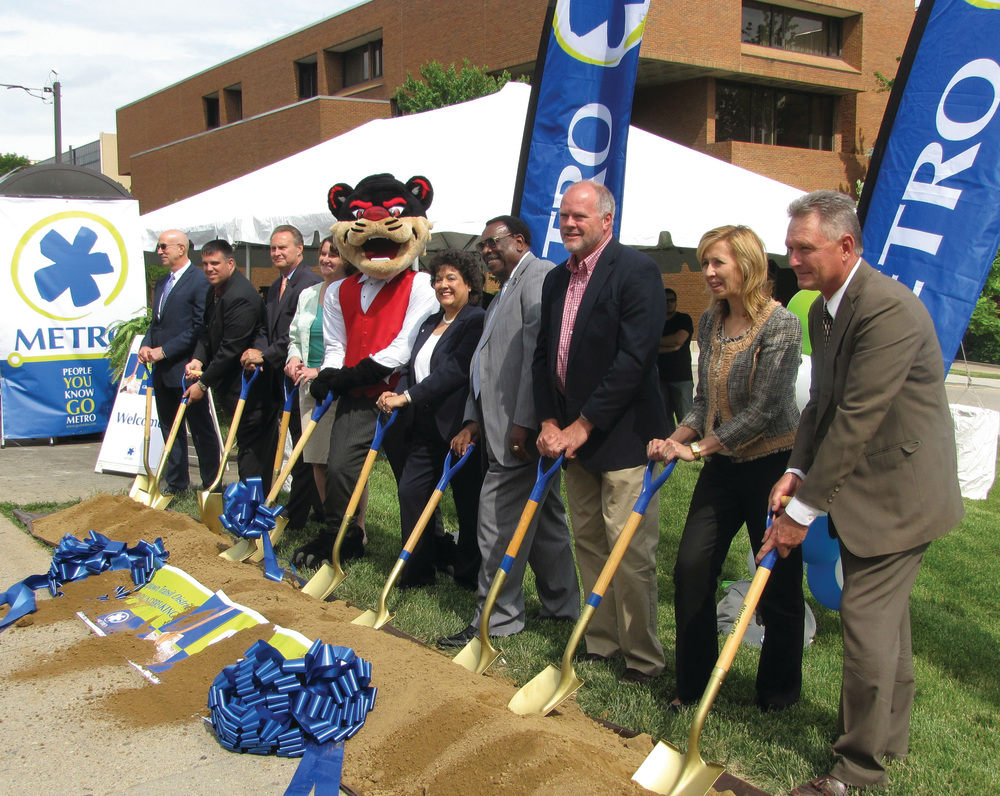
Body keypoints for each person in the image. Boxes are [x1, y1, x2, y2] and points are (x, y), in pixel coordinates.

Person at [760, 191, 963, 796]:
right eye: (790, 245)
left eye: (805, 247)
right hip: (866, 483)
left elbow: (855, 418)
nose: (792, 257)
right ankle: (887, 738)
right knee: (886, 624)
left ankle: (856, 770)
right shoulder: (824, 307)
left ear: (846, 246)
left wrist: (800, 514)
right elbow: (820, 403)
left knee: (866, 621)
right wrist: (796, 470)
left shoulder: (889, 311)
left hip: (901, 493)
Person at [647, 225, 805, 712]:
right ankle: (693, 687)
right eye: (704, 263)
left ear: (748, 265)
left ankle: (777, 693)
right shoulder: (712, 320)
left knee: (776, 582)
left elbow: (764, 410)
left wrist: (698, 451)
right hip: (722, 467)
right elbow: (702, 404)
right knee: (692, 568)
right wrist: (673, 440)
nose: (708, 273)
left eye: (718, 263)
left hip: (772, 468)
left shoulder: (779, 325)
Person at [533, 181, 667, 684]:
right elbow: (544, 356)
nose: (569, 223)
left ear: (607, 221)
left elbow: (635, 361)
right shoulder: (554, 281)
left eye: (579, 217)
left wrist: (582, 425)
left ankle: (644, 658)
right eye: (564, 215)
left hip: (625, 437)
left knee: (629, 550)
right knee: (588, 540)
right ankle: (602, 642)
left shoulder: (636, 272)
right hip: (570, 438)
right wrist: (549, 420)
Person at [438, 217, 580, 648]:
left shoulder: (537, 277)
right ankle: (562, 605)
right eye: (482, 246)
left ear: (520, 241)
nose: (485, 251)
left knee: (497, 520)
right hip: (497, 424)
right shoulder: (503, 291)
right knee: (547, 519)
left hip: (519, 431)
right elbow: (485, 361)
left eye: (492, 243)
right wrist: (473, 418)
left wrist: (525, 419)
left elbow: (540, 356)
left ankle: (496, 617)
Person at [377, 250, 486, 589]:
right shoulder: (429, 322)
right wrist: (398, 393)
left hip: (460, 426)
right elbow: (413, 368)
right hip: (422, 426)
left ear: (469, 283)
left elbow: (453, 372)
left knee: (469, 506)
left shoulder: (476, 320)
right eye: (438, 279)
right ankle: (418, 570)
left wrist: (406, 396)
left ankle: (469, 575)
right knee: (411, 492)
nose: (443, 285)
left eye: (451, 278)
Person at [242, 225, 323, 528]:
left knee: (303, 449)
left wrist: (265, 355)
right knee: (296, 444)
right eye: (273, 248)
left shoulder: (309, 284)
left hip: (301, 375)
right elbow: (268, 328)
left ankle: (297, 514)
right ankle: (314, 506)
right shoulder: (278, 285)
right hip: (280, 377)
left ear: (300, 249)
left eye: (283, 248)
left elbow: (296, 335)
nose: (276, 253)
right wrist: (258, 351)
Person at [185, 240, 274, 486]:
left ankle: (251, 502)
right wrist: (198, 359)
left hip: (249, 388)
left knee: (251, 448)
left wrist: (203, 384)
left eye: (215, 263)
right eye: (205, 264)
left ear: (230, 263)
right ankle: (247, 498)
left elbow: (230, 348)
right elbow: (207, 331)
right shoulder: (214, 289)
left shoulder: (240, 296)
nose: (209, 269)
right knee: (245, 442)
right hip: (231, 387)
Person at [138, 229, 219, 494]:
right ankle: (176, 482)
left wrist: (166, 350)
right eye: (158, 247)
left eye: (164, 246)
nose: (159, 251)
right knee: (169, 427)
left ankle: (211, 483)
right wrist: (146, 345)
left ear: (181, 248)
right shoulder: (162, 283)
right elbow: (156, 322)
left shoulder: (198, 281)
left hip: (186, 366)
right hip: (162, 370)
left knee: (199, 427)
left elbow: (198, 327)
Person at [285, 237, 359, 511]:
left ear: (347, 259)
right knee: (316, 458)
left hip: (338, 386)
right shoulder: (307, 294)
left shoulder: (354, 294)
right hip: (308, 388)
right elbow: (294, 336)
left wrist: (321, 370)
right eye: (323, 253)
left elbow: (353, 343)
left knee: (343, 463)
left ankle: (355, 526)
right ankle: (330, 520)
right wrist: (294, 357)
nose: (326, 259)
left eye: (334, 254)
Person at [657, 288, 694, 436]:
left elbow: (678, 340)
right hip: (660, 378)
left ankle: (688, 447)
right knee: (664, 419)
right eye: (666, 301)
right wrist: (671, 346)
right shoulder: (656, 321)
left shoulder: (684, 319)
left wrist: (655, 344)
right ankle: (669, 448)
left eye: (672, 300)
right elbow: (648, 345)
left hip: (681, 378)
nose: (669, 303)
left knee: (686, 419)